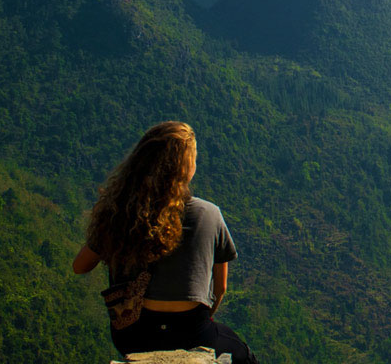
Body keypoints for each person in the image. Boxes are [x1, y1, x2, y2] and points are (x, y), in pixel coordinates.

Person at [72, 121, 257, 364]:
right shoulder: (209, 214)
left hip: (133, 336)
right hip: (193, 334)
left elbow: (80, 266)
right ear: (187, 168)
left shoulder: (121, 213)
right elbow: (219, 289)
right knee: (241, 353)